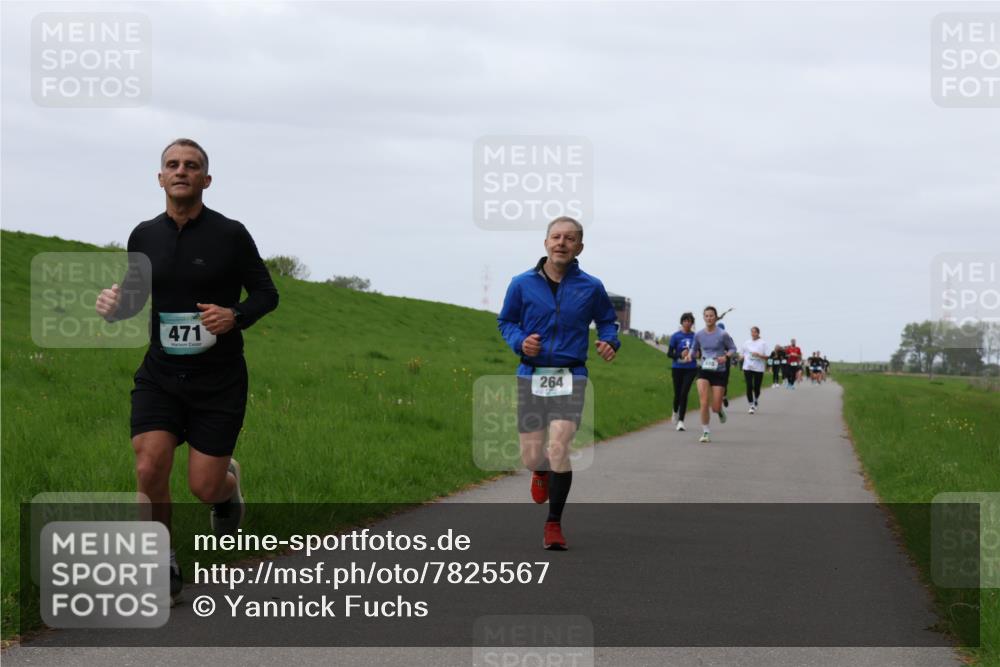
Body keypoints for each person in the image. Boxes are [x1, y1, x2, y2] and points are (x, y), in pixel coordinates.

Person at [95, 138, 279, 602]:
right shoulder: (143, 235)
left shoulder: (231, 234)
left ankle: (227, 491)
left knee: (203, 486)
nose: (181, 171)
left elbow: (266, 294)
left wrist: (234, 315)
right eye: (172, 165)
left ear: (206, 180)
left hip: (218, 380)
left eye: (191, 165)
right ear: (160, 178)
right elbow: (135, 299)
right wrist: (114, 307)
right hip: (161, 374)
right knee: (149, 463)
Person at [497, 216, 620, 550]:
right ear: (546, 243)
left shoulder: (590, 286)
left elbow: (608, 322)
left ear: (579, 246)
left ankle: (553, 524)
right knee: (533, 457)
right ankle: (540, 472)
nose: (561, 243)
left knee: (559, 447)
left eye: (569, 238)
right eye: (556, 237)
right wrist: (520, 342)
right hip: (532, 374)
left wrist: (610, 341)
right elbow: (506, 321)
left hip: (571, 374)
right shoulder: (521, 283)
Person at [691, 306, 737, 443]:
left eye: (711, 316)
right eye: (706, 316)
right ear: (704, 317)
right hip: (704, 369)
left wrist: (726, 357)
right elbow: (694, 349)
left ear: (715, 317)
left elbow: (733, 348)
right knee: (704, 402)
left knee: (715, 407)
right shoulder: (699, 334)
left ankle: (720, 410)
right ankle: (706, 432)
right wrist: (689, 355)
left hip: (719, 371)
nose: (709, 318)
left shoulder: (722, 334)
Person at [666, 312, 698, 431]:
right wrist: (680, 354)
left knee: (684, 393)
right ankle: (675, 411)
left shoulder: (696, 336)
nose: (687, 323)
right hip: (677, 367)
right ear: (682, 322)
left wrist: (695, 354)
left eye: (689, 321)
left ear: (692, 323)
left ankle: (681, 421)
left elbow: (699, 353)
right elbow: (669, 353)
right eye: (685, 321)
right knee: (678, 394)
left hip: (691, 368)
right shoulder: (676, 336)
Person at [741, 327, 769, 413]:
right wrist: (740, 357)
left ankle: (756, 399)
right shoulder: (746, 343)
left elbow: (767, 357)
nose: (753, 334)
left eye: (754, 332)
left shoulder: (763, 343)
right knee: (749, 386)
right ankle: (751, 405)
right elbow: (742, 354)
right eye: (751, 332)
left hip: (758, 368)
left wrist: (759, 355)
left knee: (757, 388)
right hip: (747, 367)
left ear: (758, 333)